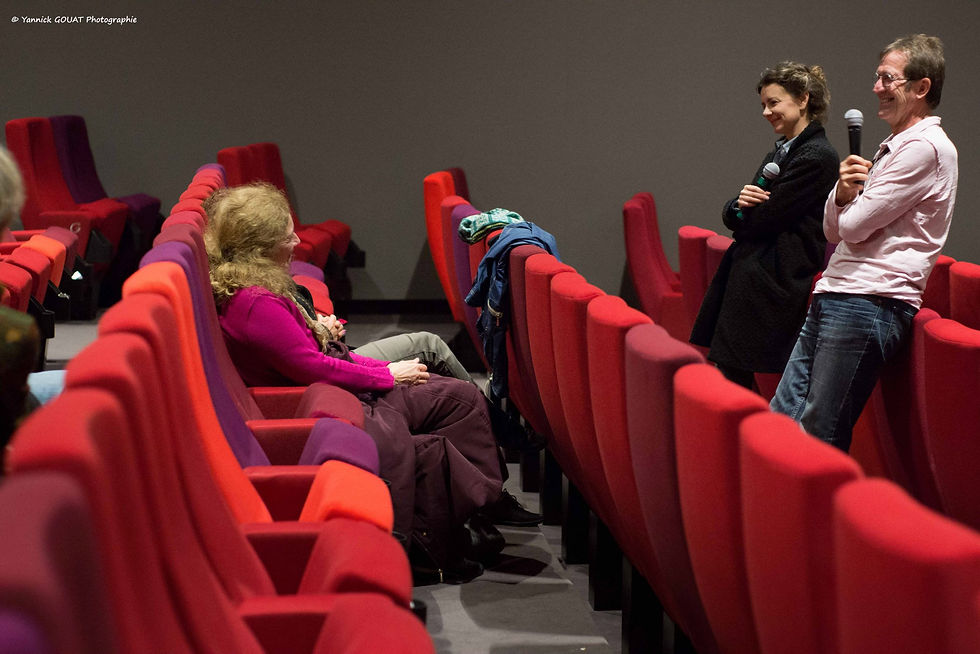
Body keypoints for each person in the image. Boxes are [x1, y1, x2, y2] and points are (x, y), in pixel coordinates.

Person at [206, 182, 507, 581]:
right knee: (458, 400)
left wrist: (336, 341)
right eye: (286, 235)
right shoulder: (255, 301)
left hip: (326, 387)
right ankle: (464, 519)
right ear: (260, 246)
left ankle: (472, 513)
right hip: (319, 398)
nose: (296, 241)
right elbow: (311, 366)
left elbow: (308, 354)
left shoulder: (253, 289)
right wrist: (386, 374)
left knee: (456, 397)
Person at [771, 34, 957, 452]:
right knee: (781, 420)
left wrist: (846, 209)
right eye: (877, 77)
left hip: (869, 301)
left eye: (888, 78)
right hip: (839, 292)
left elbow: (852, 229)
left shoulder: (925, 148)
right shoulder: (895, 146)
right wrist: (841, 193)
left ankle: (812, 499)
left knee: (817, 433)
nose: (876, 87)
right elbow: (833, 231)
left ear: (921, 87)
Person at [690, 62, 839, 389]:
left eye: (773, 103)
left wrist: (741, 213)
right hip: (756, 271)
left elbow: (762, 220)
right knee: (730, 369)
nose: (766, 112)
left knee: (736, 371)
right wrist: (736, 207)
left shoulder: (816, 156)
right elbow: (743, 210)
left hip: (776, 276)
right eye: (763, 105)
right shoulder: (784, 149)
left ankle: (752, 423)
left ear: (803, 99)